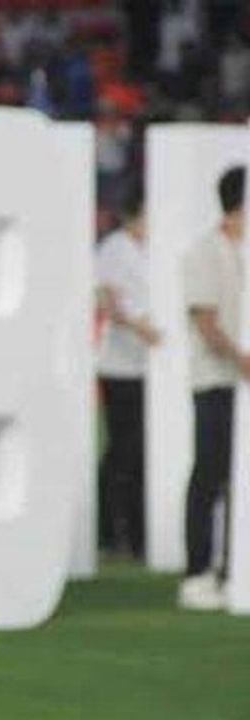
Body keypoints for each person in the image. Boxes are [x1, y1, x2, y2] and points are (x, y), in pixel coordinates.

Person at [178, 167, 248, 611]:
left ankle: (231, 567)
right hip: (216, 380)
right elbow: (205, 322)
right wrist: (242, 360)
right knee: (209, 472)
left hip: (240, 381)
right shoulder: (203, 252)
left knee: (238, 478)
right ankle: (197, 571)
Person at [96, 191, 159, 560]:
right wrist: (139, 327)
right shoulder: (114, 249)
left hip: (150, 366)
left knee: (141, 450)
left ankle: (137, 531)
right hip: (119, 366)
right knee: (123, 449)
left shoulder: (155, 249)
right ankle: (110, 529)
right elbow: (108, 301)